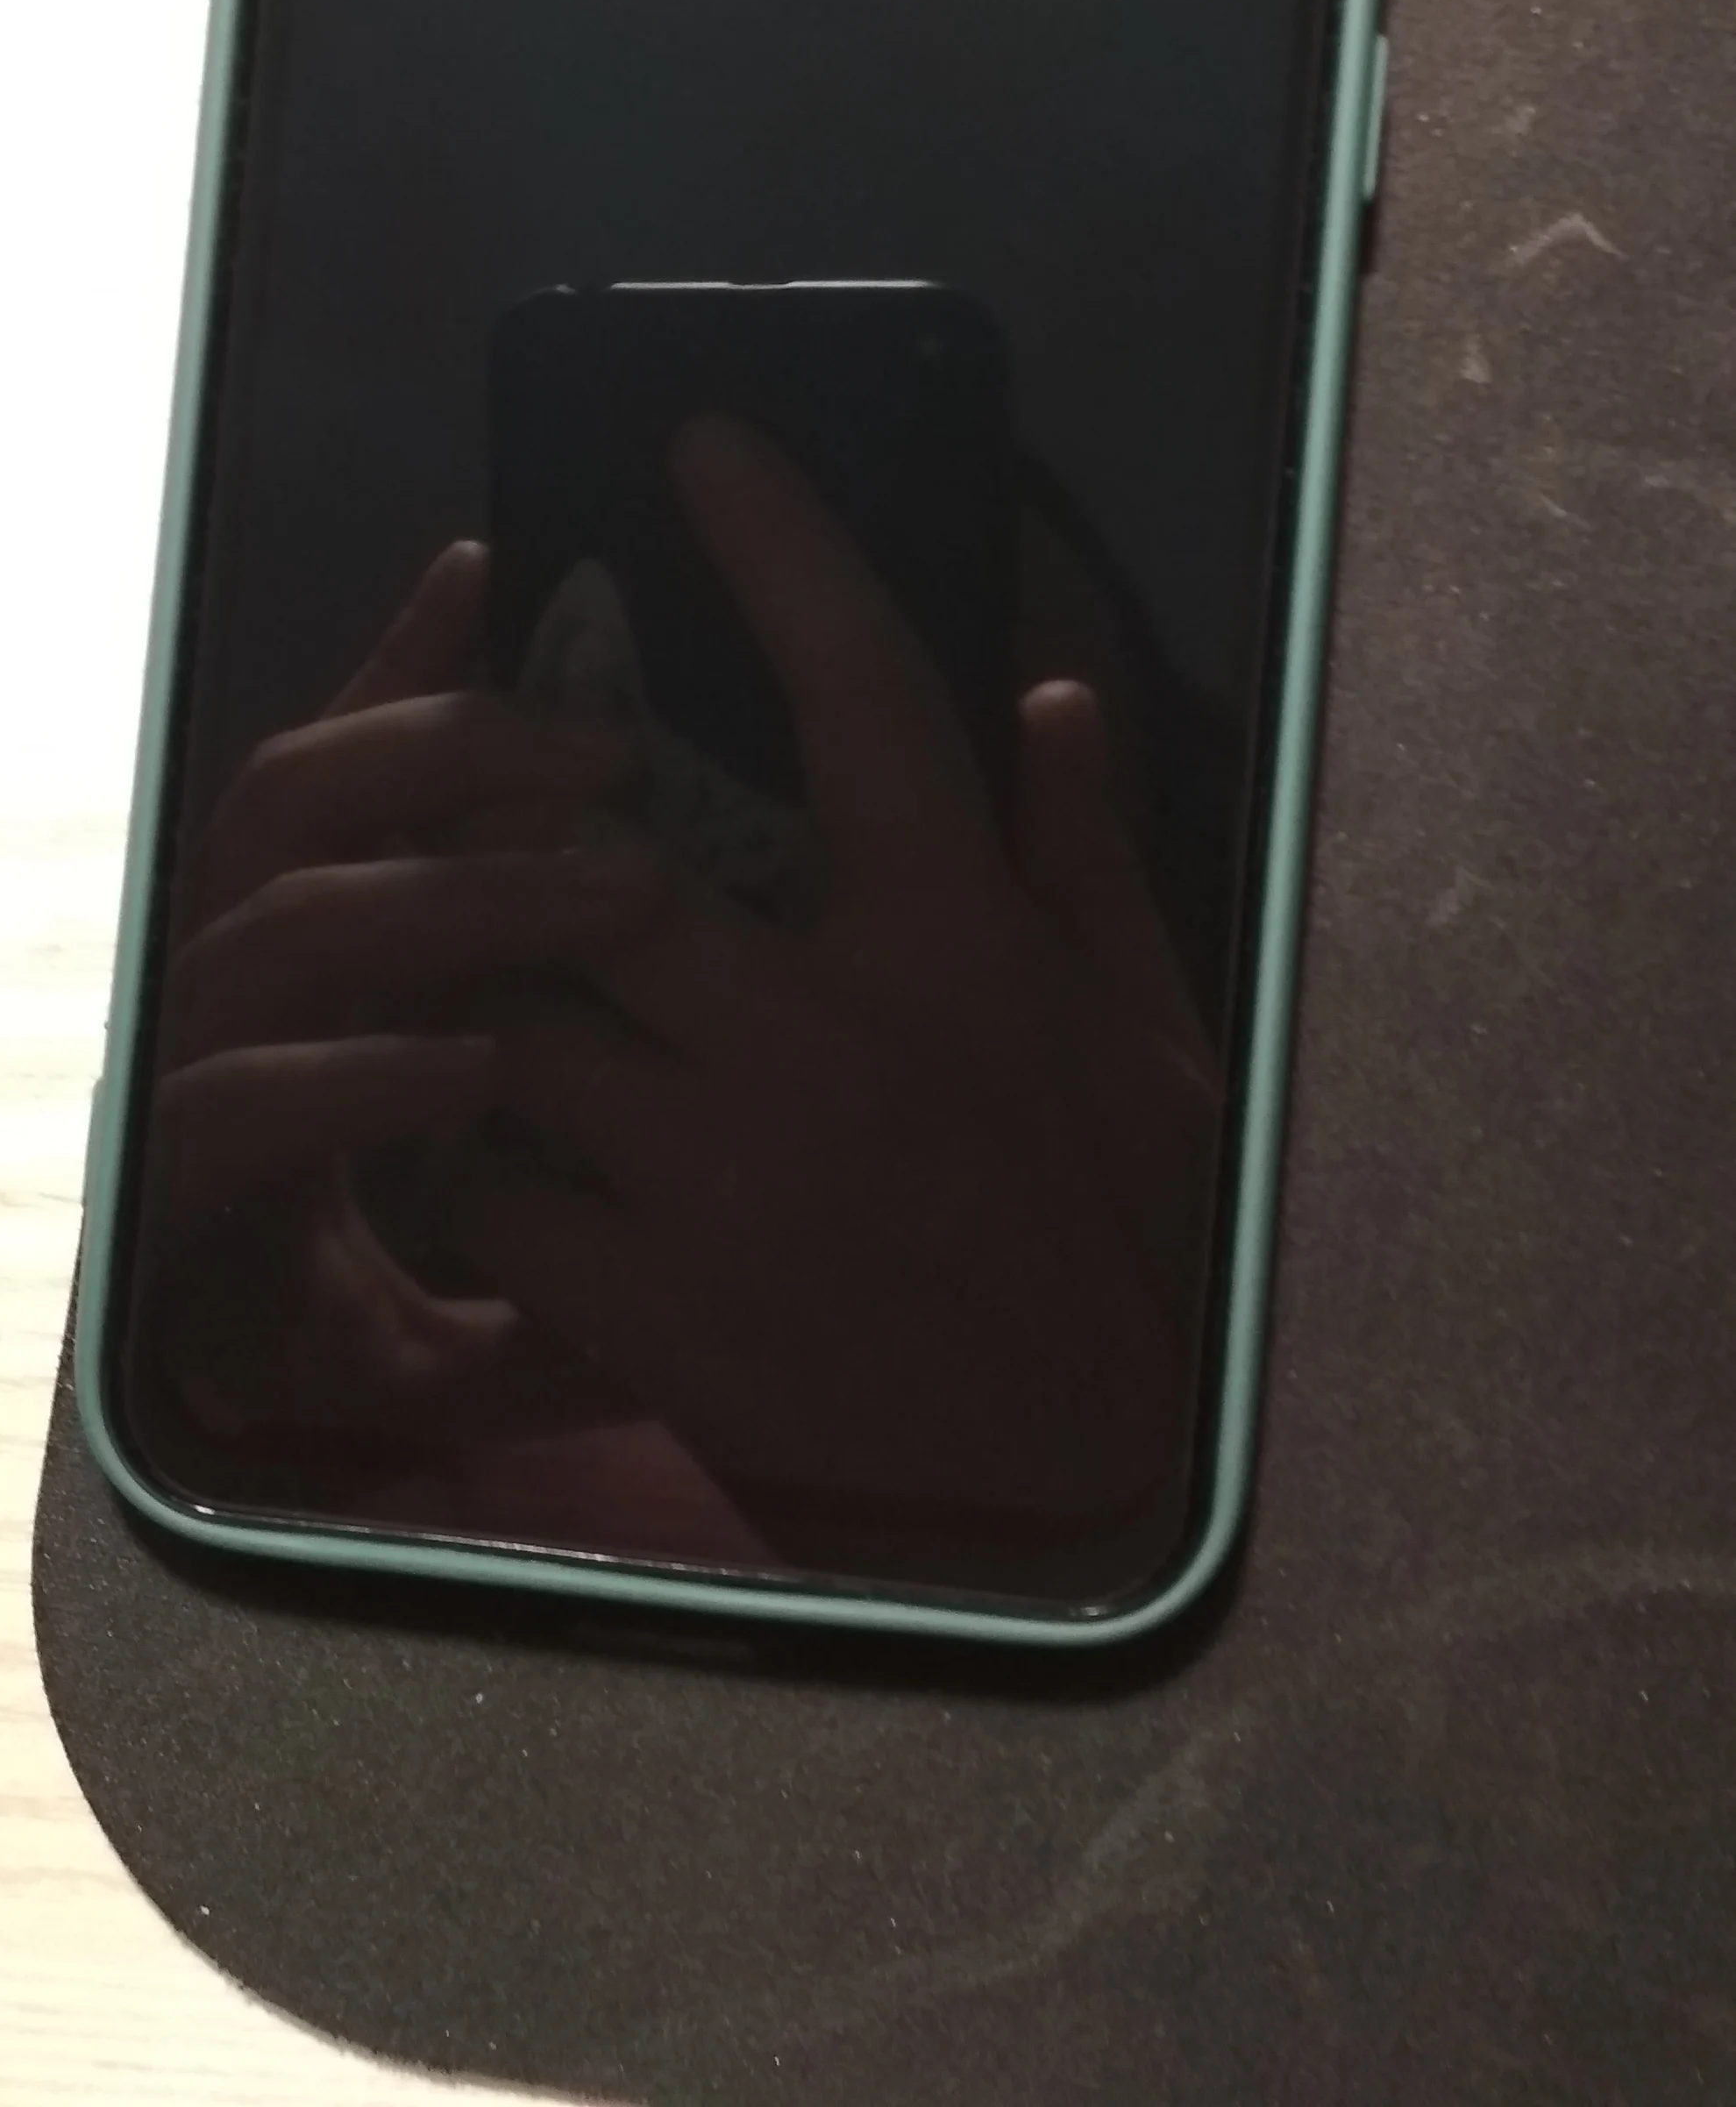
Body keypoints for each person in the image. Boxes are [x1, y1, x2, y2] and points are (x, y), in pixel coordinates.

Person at [132, 420, 1221, 1589]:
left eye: (957, 747)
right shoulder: (357, 1440)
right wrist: (277, 1447)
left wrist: (1127, 1505)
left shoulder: (1234, 1441)